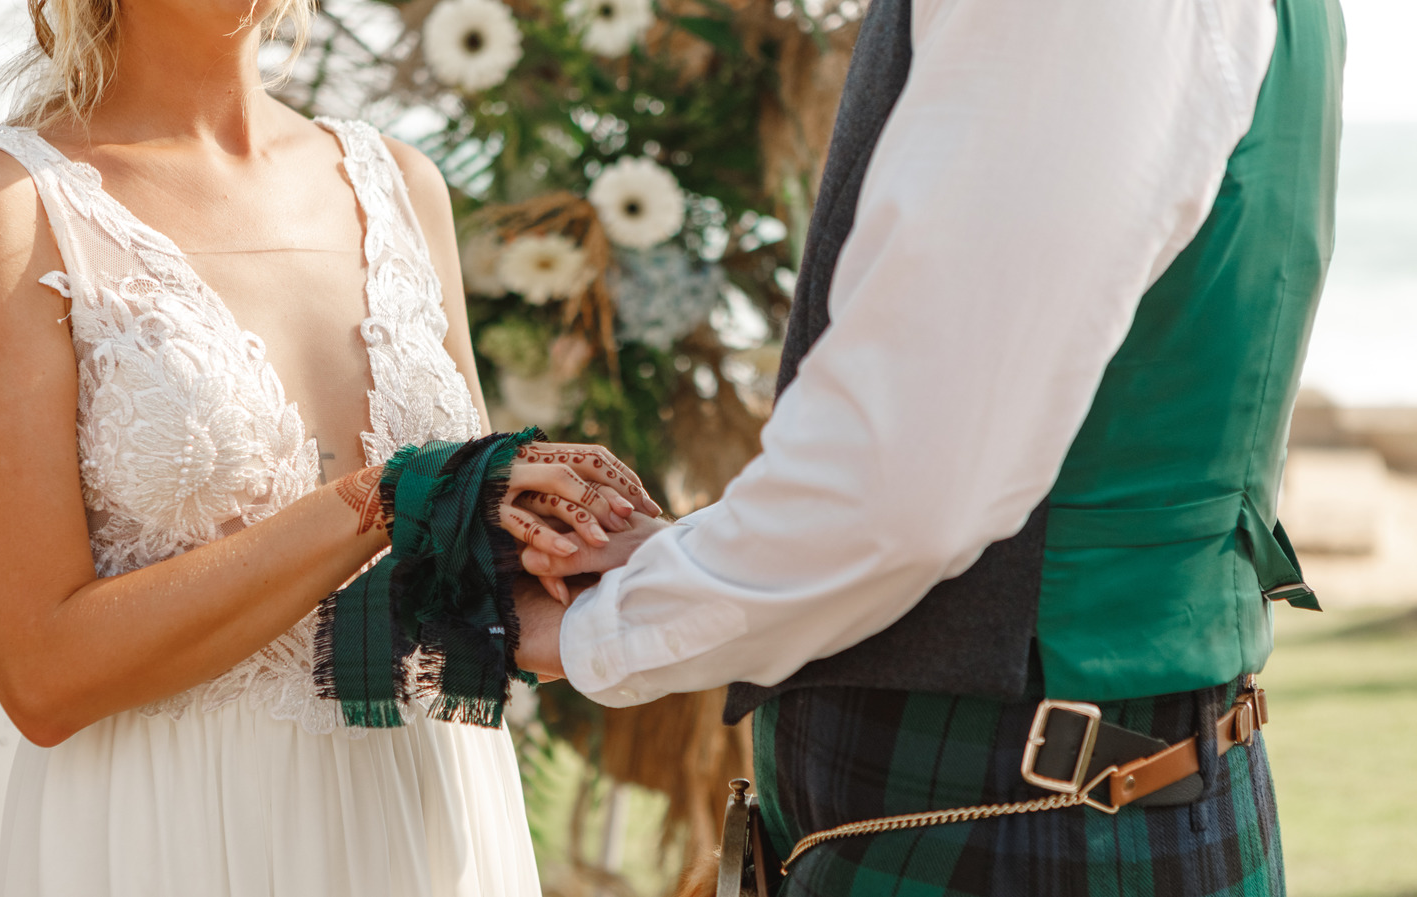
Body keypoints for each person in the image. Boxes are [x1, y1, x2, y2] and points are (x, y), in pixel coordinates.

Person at [512, 0, 1345, 893]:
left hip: (1031, 817)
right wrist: (679, 551)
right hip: (1077, 798)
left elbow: (906, 495)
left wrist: (587, 628)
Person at [0, 0, 659, 893]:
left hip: (427, 817)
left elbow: (451, 609)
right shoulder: (0, 203)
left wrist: (610, 566)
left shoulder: (401, 184)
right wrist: (385, 498)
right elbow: (41, 674)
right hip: (173, 832)